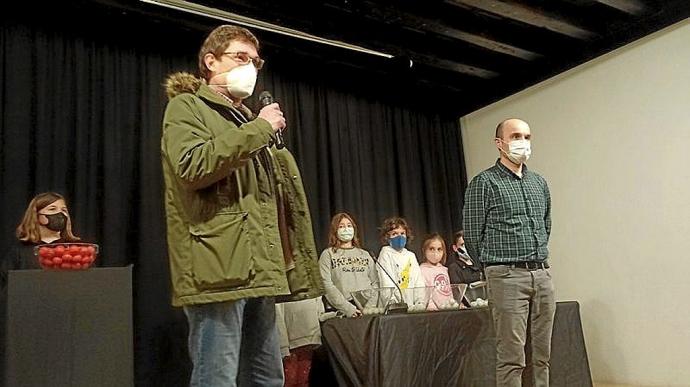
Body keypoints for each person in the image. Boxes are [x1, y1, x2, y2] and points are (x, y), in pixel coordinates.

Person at [161, 25, 322, 387]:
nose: (250, 67)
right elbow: (192, 165)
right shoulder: (187, 106)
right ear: (210, 61)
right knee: (216, 377)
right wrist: (260, 130)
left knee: (267, 377)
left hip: (259, 269)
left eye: (255, 61)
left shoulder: (247, 120)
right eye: (240, 57)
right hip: (218, 269)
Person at [462, 118, 555, 387]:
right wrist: (494, 269)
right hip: (506, 275)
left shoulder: (539, 183)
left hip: (542, 274)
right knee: (511, 358)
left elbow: (545, 224)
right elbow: (472, 233)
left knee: (542, 356)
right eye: (515, 136)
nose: (522, 142)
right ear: (499, 143)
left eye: (527, 136)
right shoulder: (485, 183)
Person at [318, 212, 378, 318]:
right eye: (341, 226)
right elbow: (326, 284)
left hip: (368, 309)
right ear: (335, 230)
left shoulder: (365, 254)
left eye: (349, 226)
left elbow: (375, 283)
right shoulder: (328, 254)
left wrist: (370, 307)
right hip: (344, 310)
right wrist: (348, 309)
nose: (346, 229)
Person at [376, 217, 425, 304]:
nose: (399, 236)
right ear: (387, 237)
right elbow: (386, 282)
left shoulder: (411, 255)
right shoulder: (385, 254)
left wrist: (420, 302)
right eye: (394, 234)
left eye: (402, 233)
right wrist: (392, 302)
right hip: (395, 306)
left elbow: (418, 281)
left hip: (412, 305)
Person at [418, 233, 454, 311]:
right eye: (431, 249)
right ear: (424, 250)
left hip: (449, 310)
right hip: (434, 313)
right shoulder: (421, 270)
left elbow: (449, 292)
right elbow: (424, 294)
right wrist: (431, 308)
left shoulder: (445, 270)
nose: (435, 253)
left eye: (439, 249)